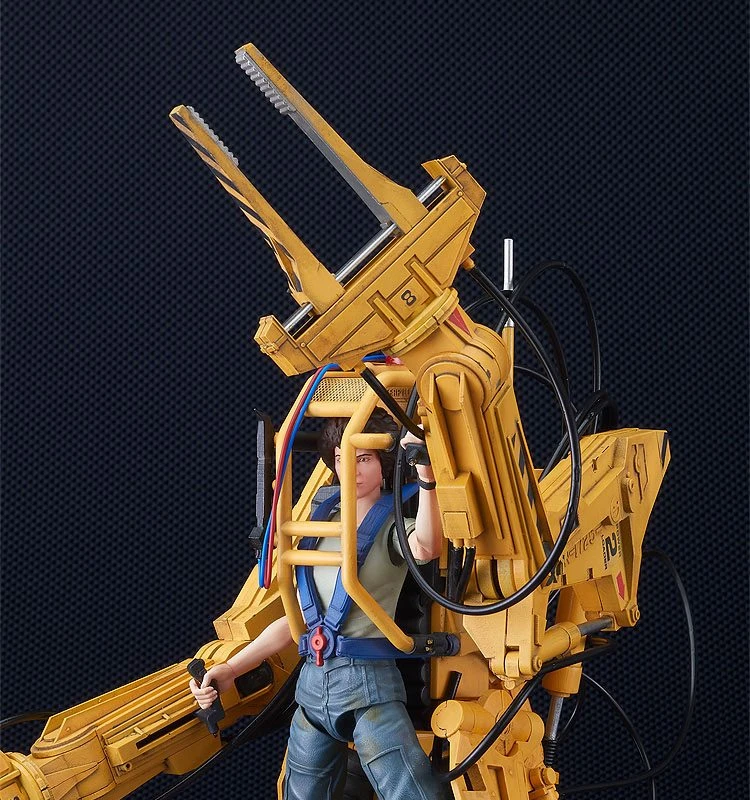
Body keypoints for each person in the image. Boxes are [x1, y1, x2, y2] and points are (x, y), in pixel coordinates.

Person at [190, 408, 444, 799]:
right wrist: (232, 668)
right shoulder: (316, 525)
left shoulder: (392, 523)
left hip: (368, 689)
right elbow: (297, 624)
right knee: (301, 792)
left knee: (408, 790)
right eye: (342, 458)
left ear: (384, 463)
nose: (352, 469)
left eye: (364, 458)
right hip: (312, 688)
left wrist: (426, 476)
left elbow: (426, 546)